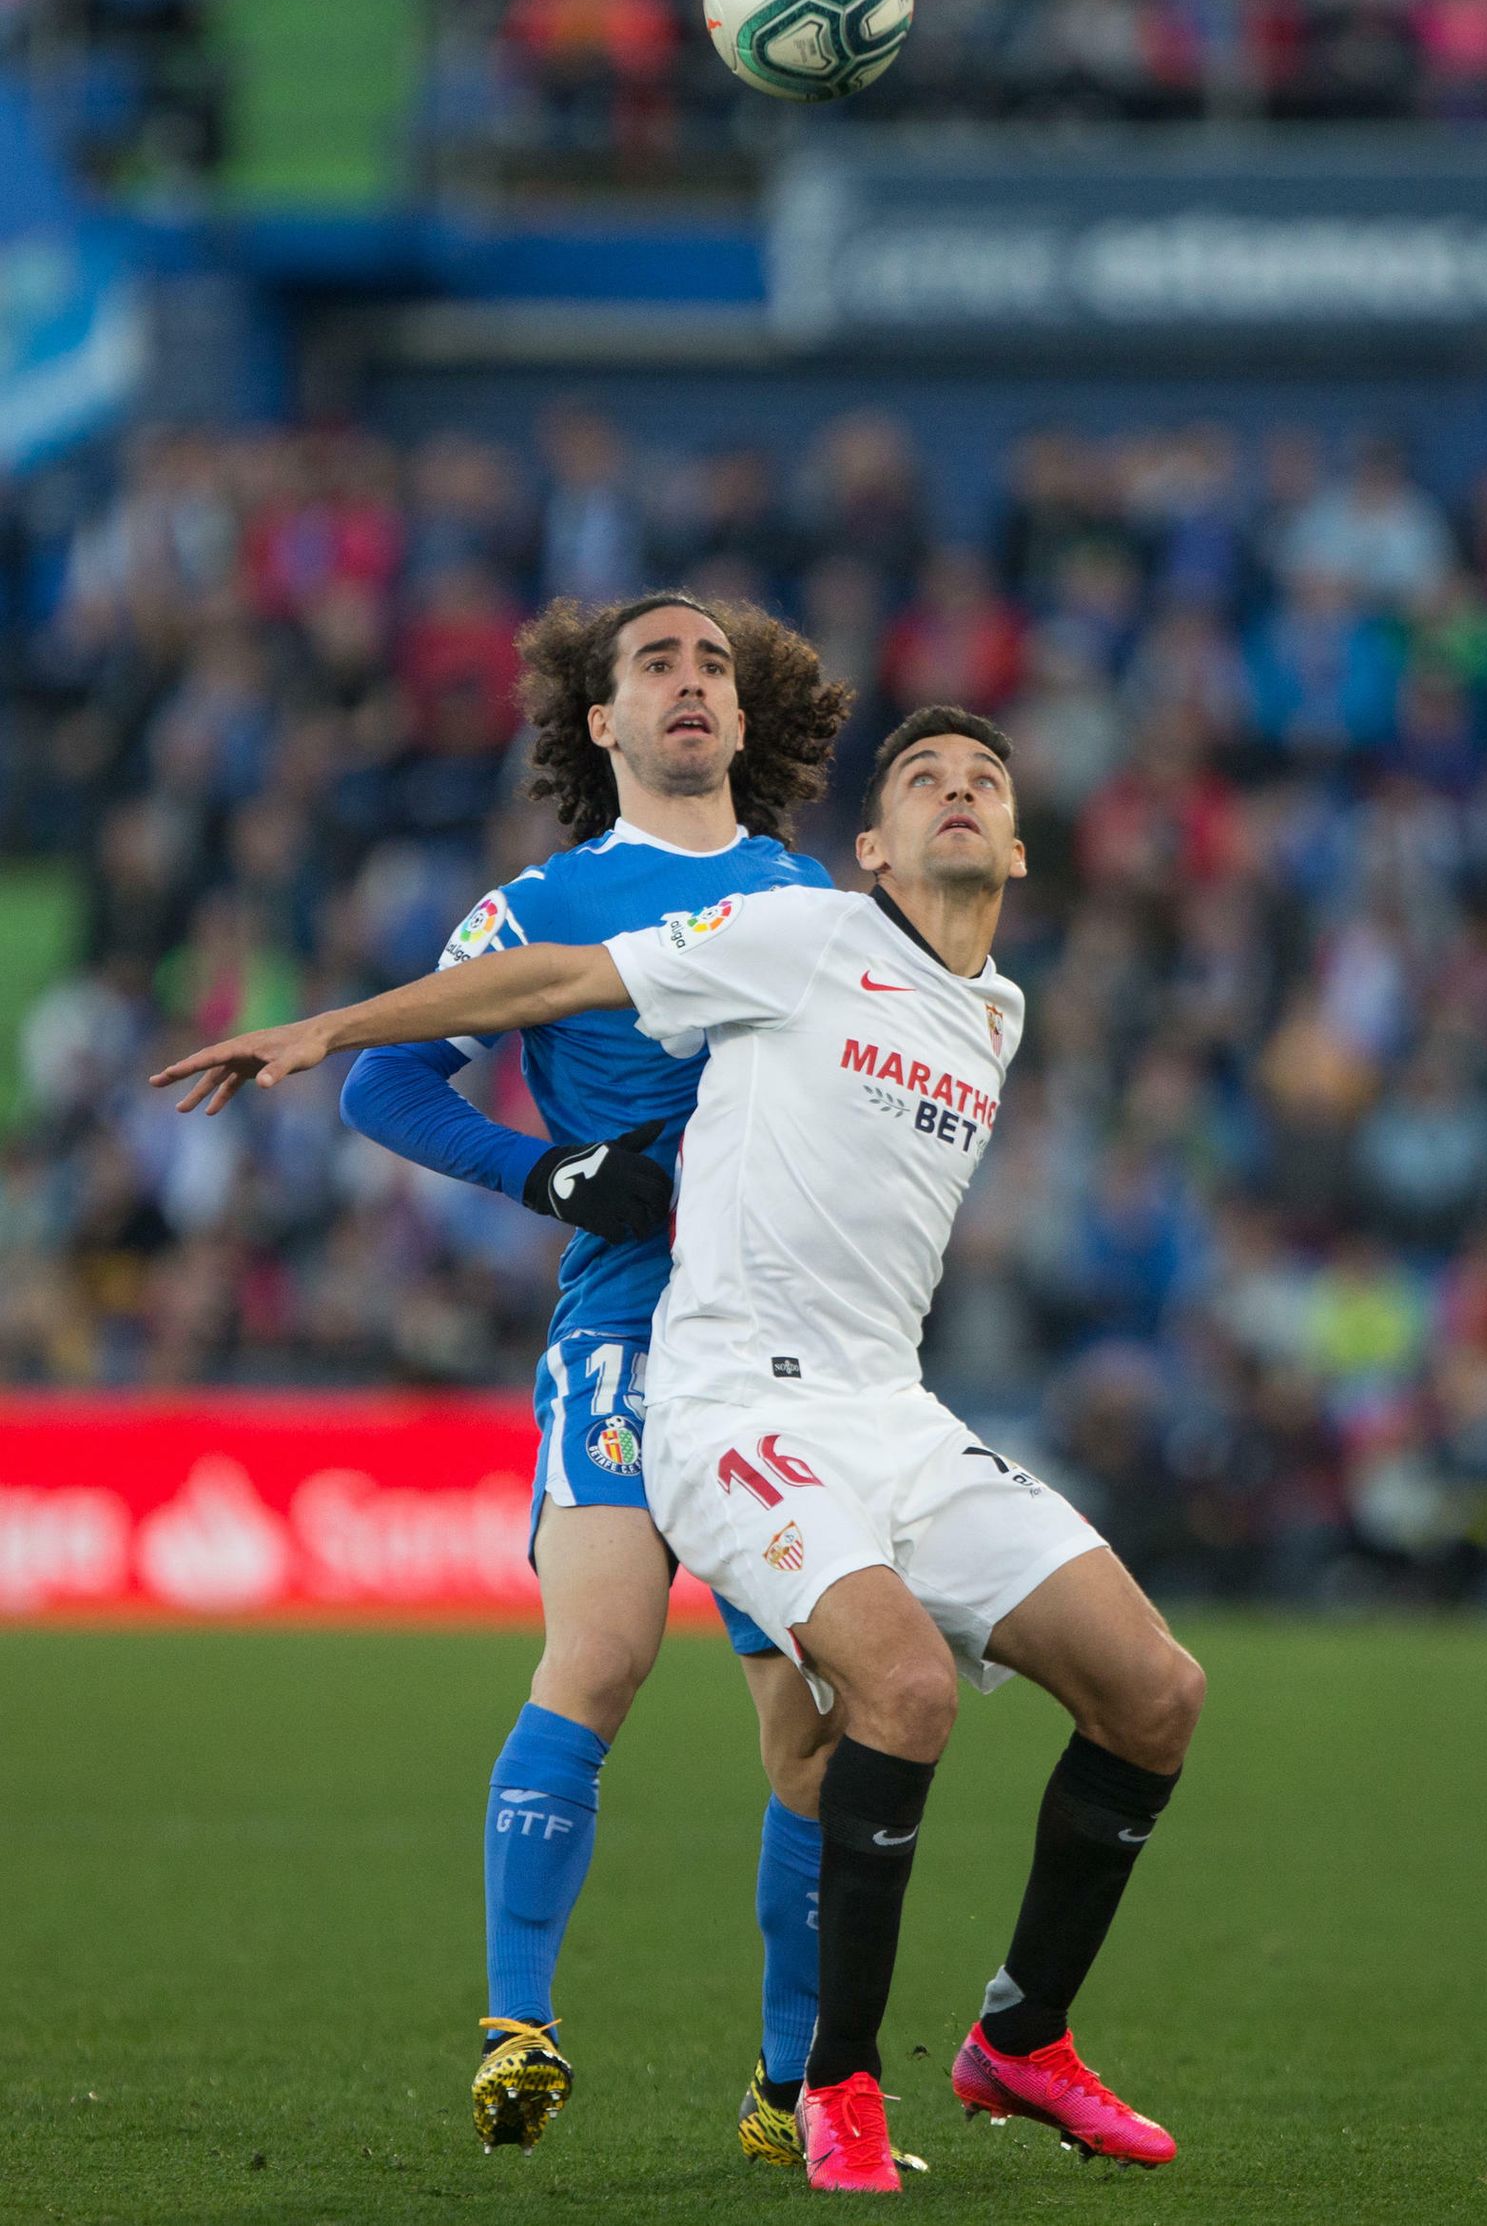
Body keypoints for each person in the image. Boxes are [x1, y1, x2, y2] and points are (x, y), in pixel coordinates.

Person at [155, 704, 1206, 2195]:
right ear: (872, 844)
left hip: (889, 1410)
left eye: (985, 779)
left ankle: (1022, 2037)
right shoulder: (801, 930)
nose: (958, 791)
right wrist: (336, 1025)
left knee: (1156, 1694)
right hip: (730, 1404)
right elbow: (563, 977)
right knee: (884, 1689)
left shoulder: (998, 1008)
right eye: (922, 779)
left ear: (1022, 844)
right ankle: (822, 2080)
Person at [161, 588, 866, 2168]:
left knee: (814, 1727)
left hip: (782, 1352)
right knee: (602, 1651)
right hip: (623, 1326)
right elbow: (389, 1088)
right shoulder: (536, 903)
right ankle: (519, 2026)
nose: (690, 684)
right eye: (654, 666)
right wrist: (551, 1175)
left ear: (746, 724)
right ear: (599, 722)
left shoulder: (807, 898)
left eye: (713, 668)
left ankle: (785, 2084)